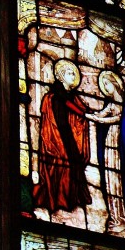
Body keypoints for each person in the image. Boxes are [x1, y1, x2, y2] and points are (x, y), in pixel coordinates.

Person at [86, 70, 125, 237]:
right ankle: (115, 217)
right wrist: (90, 115)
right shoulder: (110, 103)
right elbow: (102, 114)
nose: (105, 88)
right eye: (104, 85)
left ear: (115, 84)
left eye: (107, 84)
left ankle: (124, 216)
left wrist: (99, 119)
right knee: (110, 178)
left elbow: (116, 119)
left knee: (119, 179)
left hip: (120, 145)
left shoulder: (124, 104)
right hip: (109, 144)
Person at [34, 59, 92, 215]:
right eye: (69, 72)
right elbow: (49, 121)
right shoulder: (53, 96)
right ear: (60, 76)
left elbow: (80, 113)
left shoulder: (73, 97)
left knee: (73, 165)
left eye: (74, 73)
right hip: (56, 136)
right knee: (61, 164)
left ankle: (71, 200)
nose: (73, 75)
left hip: (68, 136)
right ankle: (58, 201)